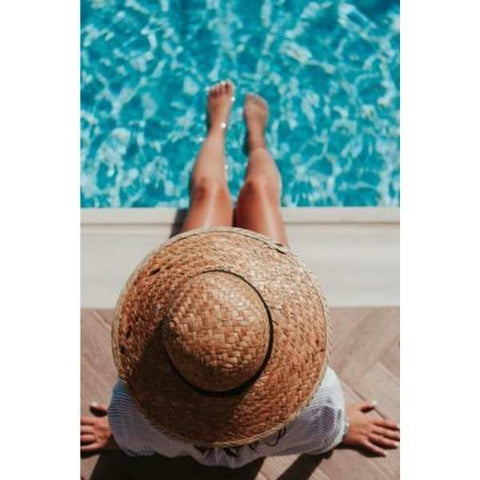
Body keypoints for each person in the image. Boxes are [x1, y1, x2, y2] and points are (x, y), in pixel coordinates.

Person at [80, 80, 400, 467]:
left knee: (210, 193)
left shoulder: (133, 410)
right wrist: (343, 428)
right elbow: (325, 432)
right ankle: (256, 140)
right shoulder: (319, 400)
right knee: (259, 191)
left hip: (202, 291)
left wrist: (119, 434)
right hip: (249, 299)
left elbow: (132, 437)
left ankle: (218, 127)